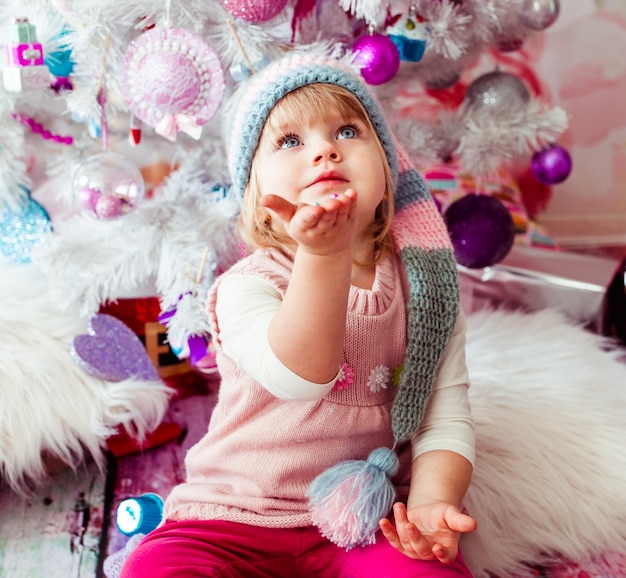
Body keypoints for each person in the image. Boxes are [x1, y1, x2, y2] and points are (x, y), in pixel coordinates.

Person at [120, 52, 477, 578]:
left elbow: (444, 418)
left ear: (389, 170)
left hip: (363, 522)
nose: (325, 150)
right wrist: (323, 256)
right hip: (236, 516)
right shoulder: (247, 286)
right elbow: (301, 376)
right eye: (290, 141)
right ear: (259, 198)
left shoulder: (427, 290)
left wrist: (428, 503)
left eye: (349, 131)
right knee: (158, 569)